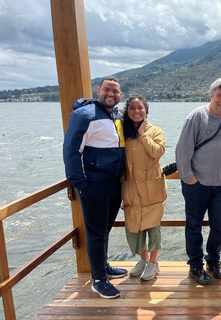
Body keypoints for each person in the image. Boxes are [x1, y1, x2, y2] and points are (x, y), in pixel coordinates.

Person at [63, 76, 128, 299]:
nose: (111, 94)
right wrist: (80, 184)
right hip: (93, 184)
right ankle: (98, 279)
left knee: (105, 229)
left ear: (120, 95)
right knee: (95, 232)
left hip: (113, 182)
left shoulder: (116, 115)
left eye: (116, 91)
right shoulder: (84, 115)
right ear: (98, 90)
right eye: (107, 90)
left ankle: (103, 266)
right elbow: (71, 150)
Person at [176, 78, 221, 285]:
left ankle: (213, 261)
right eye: (219, 95)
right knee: (193, 226)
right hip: (197, 183)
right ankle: (195, 265)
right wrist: (189, 179)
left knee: (220, 225)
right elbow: (182, 150)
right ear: (211, 95)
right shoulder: (197, 116)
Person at [120, 94, 167, 281]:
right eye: (132, 107)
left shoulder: (155, 131)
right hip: (131, 187)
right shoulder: (123, 133)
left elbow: (157, 152)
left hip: (152, 188)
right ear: (127, 111)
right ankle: (143, 258)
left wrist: (143, 134)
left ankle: (153, 263)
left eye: (140, 107)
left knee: (153, 227)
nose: (136, 111)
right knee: (135, 227)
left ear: (146, 110)